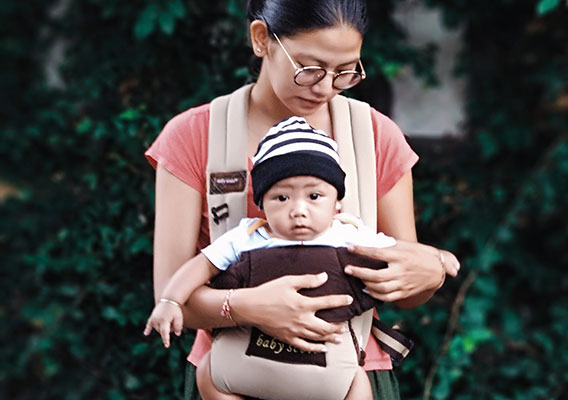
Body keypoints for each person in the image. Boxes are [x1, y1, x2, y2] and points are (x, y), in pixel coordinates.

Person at [144, 1, 461, 399]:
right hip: (233, 378)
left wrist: (428, 274)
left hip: (346, 377)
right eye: (309, 68)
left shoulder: (374, 137)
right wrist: (249, 307)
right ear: (262, 39)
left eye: (346, 72)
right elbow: (172, 299)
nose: (326, 87)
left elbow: (404, 284)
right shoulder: (194, 137)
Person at [146, 116, 449, 399]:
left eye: (314, 196)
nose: (298, 209)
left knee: (358, 382)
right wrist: (171, 301)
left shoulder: (350, 235)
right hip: (244, 364)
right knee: (208, 373)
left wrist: (437, 260)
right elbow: (200, 266)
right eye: (282, 197)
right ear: (261, 203)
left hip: (332, 370)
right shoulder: (248, 235)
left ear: (337, 203)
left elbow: (404, 257)